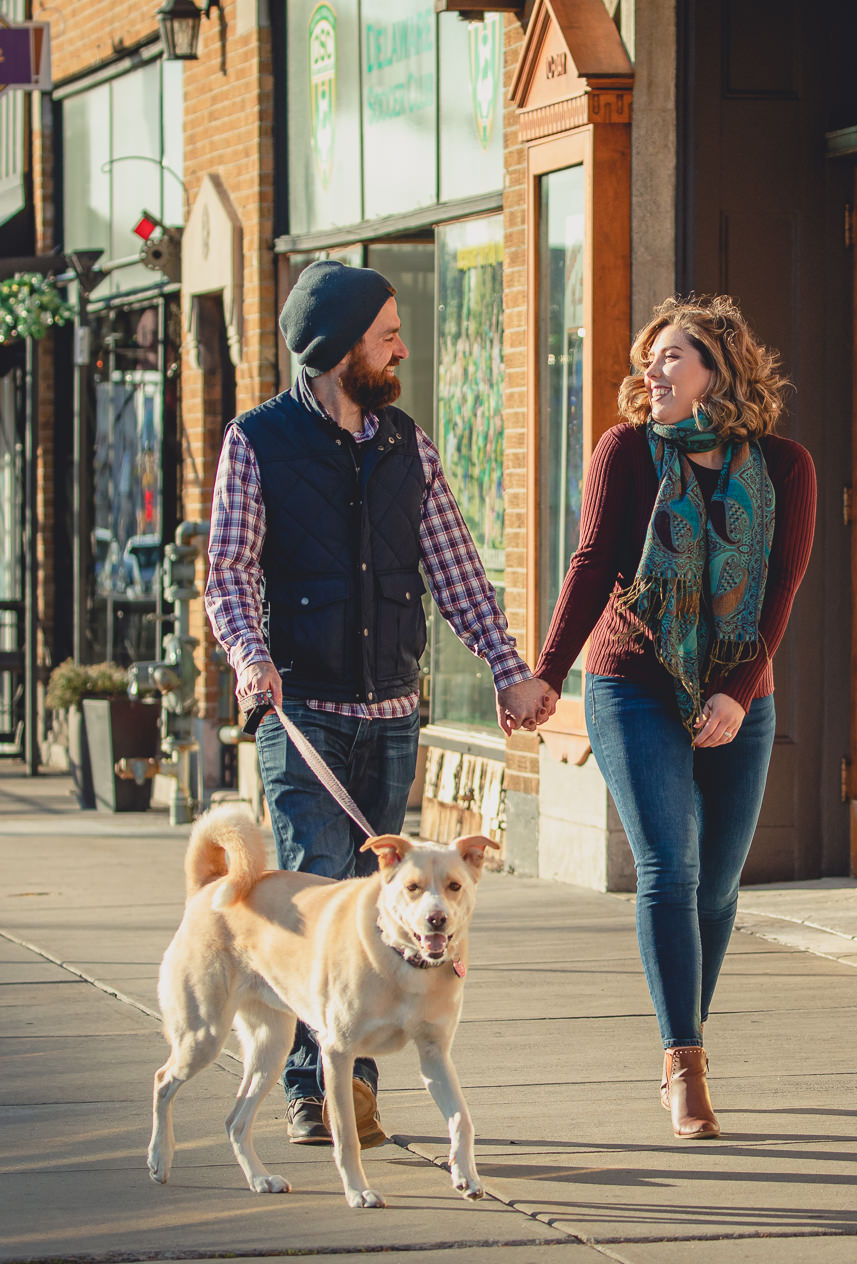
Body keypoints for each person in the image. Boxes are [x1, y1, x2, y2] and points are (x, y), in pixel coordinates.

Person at [204, 259, 555, 1149]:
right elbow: (230, 573)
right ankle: (322, 1089)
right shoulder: (258, 441)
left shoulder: (409, 446)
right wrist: (251, 660)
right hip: (302, 712)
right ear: (337, 349)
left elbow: (458, 573)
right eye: (387, 332)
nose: (403, 346)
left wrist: (508, 670)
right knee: (315, 893)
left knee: (380, 908)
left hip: (393, 712)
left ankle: (348, 1079)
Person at [533, 293, 816, 1139]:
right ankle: (684, 1060)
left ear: (717, 373)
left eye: (671, 357)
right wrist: (549, 676)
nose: (649, 371)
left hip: (740, 689)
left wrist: (738, 691)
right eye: (649, 357)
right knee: (669, 869)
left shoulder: (785, 468)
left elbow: (780, 591)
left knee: (720, 884)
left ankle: (683, 1038)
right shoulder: (625, 451)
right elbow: (590, 566)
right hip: (634, 680)